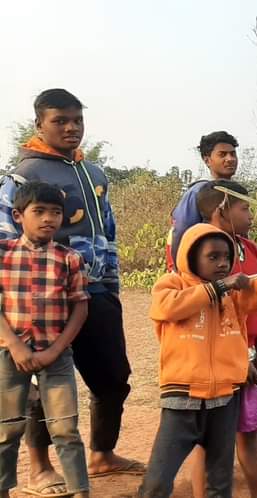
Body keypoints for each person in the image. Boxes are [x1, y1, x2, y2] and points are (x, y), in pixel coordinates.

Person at [0, 89, 143, 488]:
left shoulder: (94, 173)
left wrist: (111, 284)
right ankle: (40, 468)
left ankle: (102, 453)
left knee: (114, 377)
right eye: (60, 120)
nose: (71, 128)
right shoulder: (22, 175)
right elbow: (4, 240)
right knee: (39, 381)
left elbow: (108, 232)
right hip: (41, 299)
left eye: (77, 120)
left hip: (95, 292)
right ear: (39, 125)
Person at [138, 223, 257, 498]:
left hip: (224, 402)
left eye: (226, 257)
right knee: (157, 483)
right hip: (181, 403)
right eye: (213, 257)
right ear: (191, 258)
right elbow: (167, 307)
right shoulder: (172, 285)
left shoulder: (235, 296)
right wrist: (218, 288)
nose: (222, 263)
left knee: (219, 484)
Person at [0, 182, 91, 498]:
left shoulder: (68, 258)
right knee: (7, 428)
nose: (48, 219)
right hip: (10, 355)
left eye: (55, 213)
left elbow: (80, 305)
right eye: (39, 211)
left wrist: (56, 348)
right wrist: (13, 344)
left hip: (57, 354)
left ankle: (81, 491)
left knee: (66, 428)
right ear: (18, 215)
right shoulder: (3, 253)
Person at [187, 181, 257, 498]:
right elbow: (196, 307)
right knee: (205, 440)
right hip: (213, 362)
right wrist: (236, 358)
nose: (250, 214)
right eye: (244, 207)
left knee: (248, 431)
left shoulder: (250, 251)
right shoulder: (196, 249)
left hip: (248, 354)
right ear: (222, 209)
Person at [166, 131, 240, 272]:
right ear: (207, 160)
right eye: (222, 154)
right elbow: (181, 231)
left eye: (233, 154)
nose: (230, 159)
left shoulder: (236, 193)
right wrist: (180, 272)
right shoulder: (198, 192)